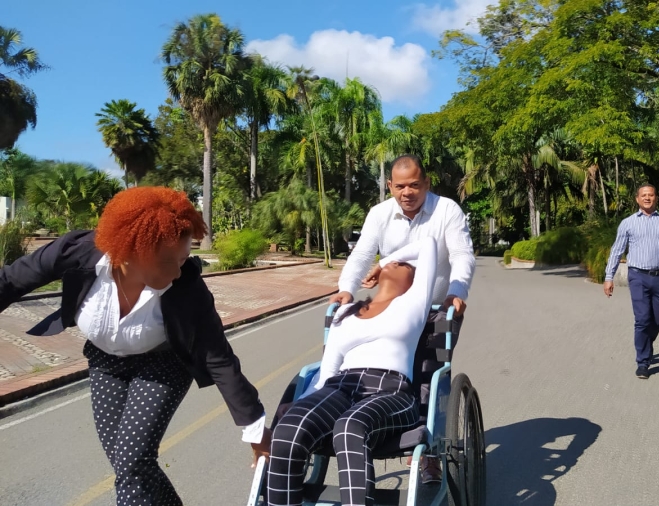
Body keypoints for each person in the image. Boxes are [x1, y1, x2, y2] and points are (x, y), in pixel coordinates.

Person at [0, 187, 271, 505]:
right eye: (172, 261)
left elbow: (218, 356)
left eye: (185, 259)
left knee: (131, 461)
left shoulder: (187, 286)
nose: (180, 270)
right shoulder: (75, 251)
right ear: (133, 251)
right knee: (129, 464)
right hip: (105, 363)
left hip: (163, 365)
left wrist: (255, 429)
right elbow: (11, 280)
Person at [328, 153, 475, 482]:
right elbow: (362, 253)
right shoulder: (379, 214)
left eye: (414, 185)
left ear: (426, 184)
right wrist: (346, 289)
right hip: (393, 311)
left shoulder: (446, 210)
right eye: (400, 186)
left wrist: (456, 292)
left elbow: (462, 254)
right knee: (383, 369)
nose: (407, 192)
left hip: (436, 310)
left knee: (428, 374)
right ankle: (383, 428)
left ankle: (429, 452)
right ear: (390, 185)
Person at [268, 237, 438, 506]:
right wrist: (303, 403)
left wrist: (383, 261)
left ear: (414, 281)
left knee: (350, 427)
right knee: (289, 427)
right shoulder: (346, 311)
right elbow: (328, 371)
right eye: (394, 262)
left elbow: (428, 244)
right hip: (341, 386)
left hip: (392, 391)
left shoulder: (414, 302)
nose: (398, 263)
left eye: (405, 265)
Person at [603, 184, 659, 379]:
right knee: (642, 320)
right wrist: (609, 277)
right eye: (644, 195)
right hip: (637, 277)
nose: (647, 198)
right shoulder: (628, 223)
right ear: (637, 199)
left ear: (656, 198)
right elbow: (616, 251)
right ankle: (643, 362)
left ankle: (645, 344)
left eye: (651, 195)